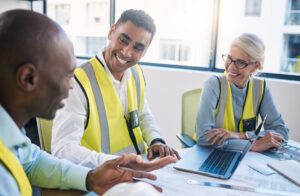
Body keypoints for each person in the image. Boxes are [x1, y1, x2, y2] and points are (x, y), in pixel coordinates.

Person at [0, 9, 177, 195]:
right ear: (28, 78)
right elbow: (62, 150)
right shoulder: (3, 178)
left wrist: (91, 178)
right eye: (65, 75)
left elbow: (31, 161)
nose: (70, 86)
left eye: (138, 47)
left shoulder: (12, 135)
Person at [51, 9, 180, 168]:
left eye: (137, 48)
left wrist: (156, 140)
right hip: (99, 175)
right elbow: (63, 149)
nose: (126, 52)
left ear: (145, 51)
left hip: (138, 168)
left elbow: (143, 115)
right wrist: (117, 162)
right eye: (123, 40)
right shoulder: (78, 81)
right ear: (111, 32)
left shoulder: (135, 73)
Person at [196, 33, 289, 152]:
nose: (231, 67)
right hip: (210, 154)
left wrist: (241, 135)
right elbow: (203, 138)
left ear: (255, 67)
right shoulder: (213, 84)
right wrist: (252, 145)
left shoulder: (260, 88)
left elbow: (282, 132)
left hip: (245, 157)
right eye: (229, 58)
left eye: (240, 62)